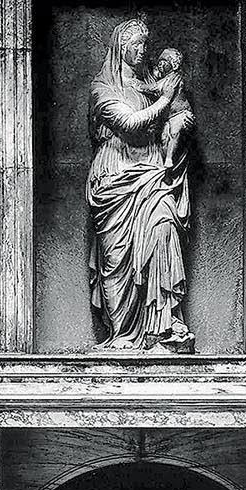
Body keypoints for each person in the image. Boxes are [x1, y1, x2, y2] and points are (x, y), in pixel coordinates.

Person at [86, 18, 195, 354]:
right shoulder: (102, 89)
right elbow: (129, 123)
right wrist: (164, 100)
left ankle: (162, 328)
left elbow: (178, 115)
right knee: (117, 259)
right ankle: (122, 334)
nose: (144, 50)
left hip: (153, 172)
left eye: (146, 44)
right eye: (138, 44)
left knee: (164, 231)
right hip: (116, 176)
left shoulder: (152, 81)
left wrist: (173, 107)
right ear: (122, 46)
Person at [149, 47, 196, 183]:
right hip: (144, 148)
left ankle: (168, 167)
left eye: (165, 61)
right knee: (165, 140)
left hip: (174, 117)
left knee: (174, 135)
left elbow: (160, 91)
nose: (161, 64)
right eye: (161, 61)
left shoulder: (172, 79)